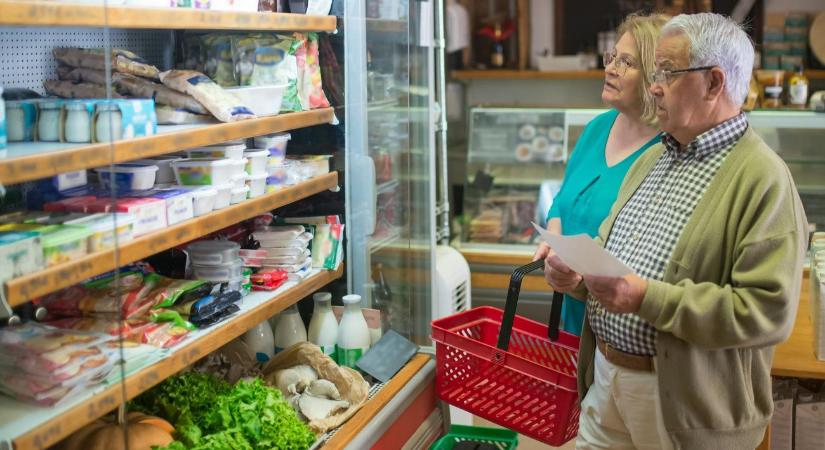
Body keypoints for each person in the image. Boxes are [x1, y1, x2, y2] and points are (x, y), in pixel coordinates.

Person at [544, 13, 808, 449]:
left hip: (682, 408)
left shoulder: (763, 179)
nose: (653, 85)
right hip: (606, 384)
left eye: (667, 72)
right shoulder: (654, 159)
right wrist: (575, 278)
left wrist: (645, 298)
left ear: (714, 82)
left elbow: (766, 312)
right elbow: (608, 255)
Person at [533, 13, 669, 336]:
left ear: (655, 76)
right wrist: (554, 247)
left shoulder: (667, 149)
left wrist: (581, 274)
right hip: (574, 322)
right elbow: (562, 201)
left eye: (626, 62)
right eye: (612, 57)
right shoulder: (597, 128)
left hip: (624, 329)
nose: (610, 68)